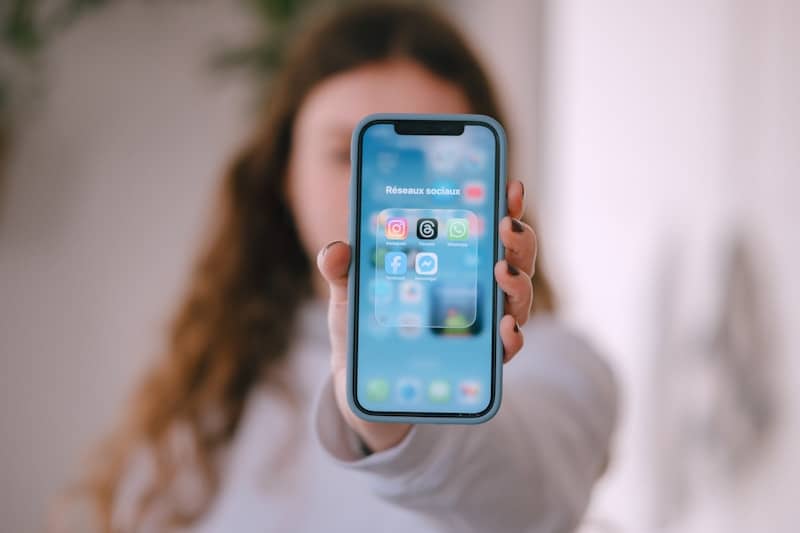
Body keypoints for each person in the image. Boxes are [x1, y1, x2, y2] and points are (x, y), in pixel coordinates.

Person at [66, 2, 618, 532]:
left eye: (423, 160)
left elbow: (530, 505)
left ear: (489, 184)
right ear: (285, 175)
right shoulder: (207, 386)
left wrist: (397, 426)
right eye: (344, 153)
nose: (372, 189)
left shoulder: (559, 366)